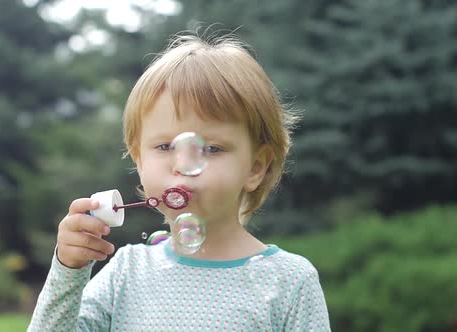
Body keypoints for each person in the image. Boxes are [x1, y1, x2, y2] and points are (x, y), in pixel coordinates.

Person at [27, 32, 331, 331]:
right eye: (165, 147)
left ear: (255, 168)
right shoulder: (127, 272)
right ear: (139, 160)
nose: (182, 165)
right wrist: (69, 270)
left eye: (210, 149)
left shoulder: (289, 282)